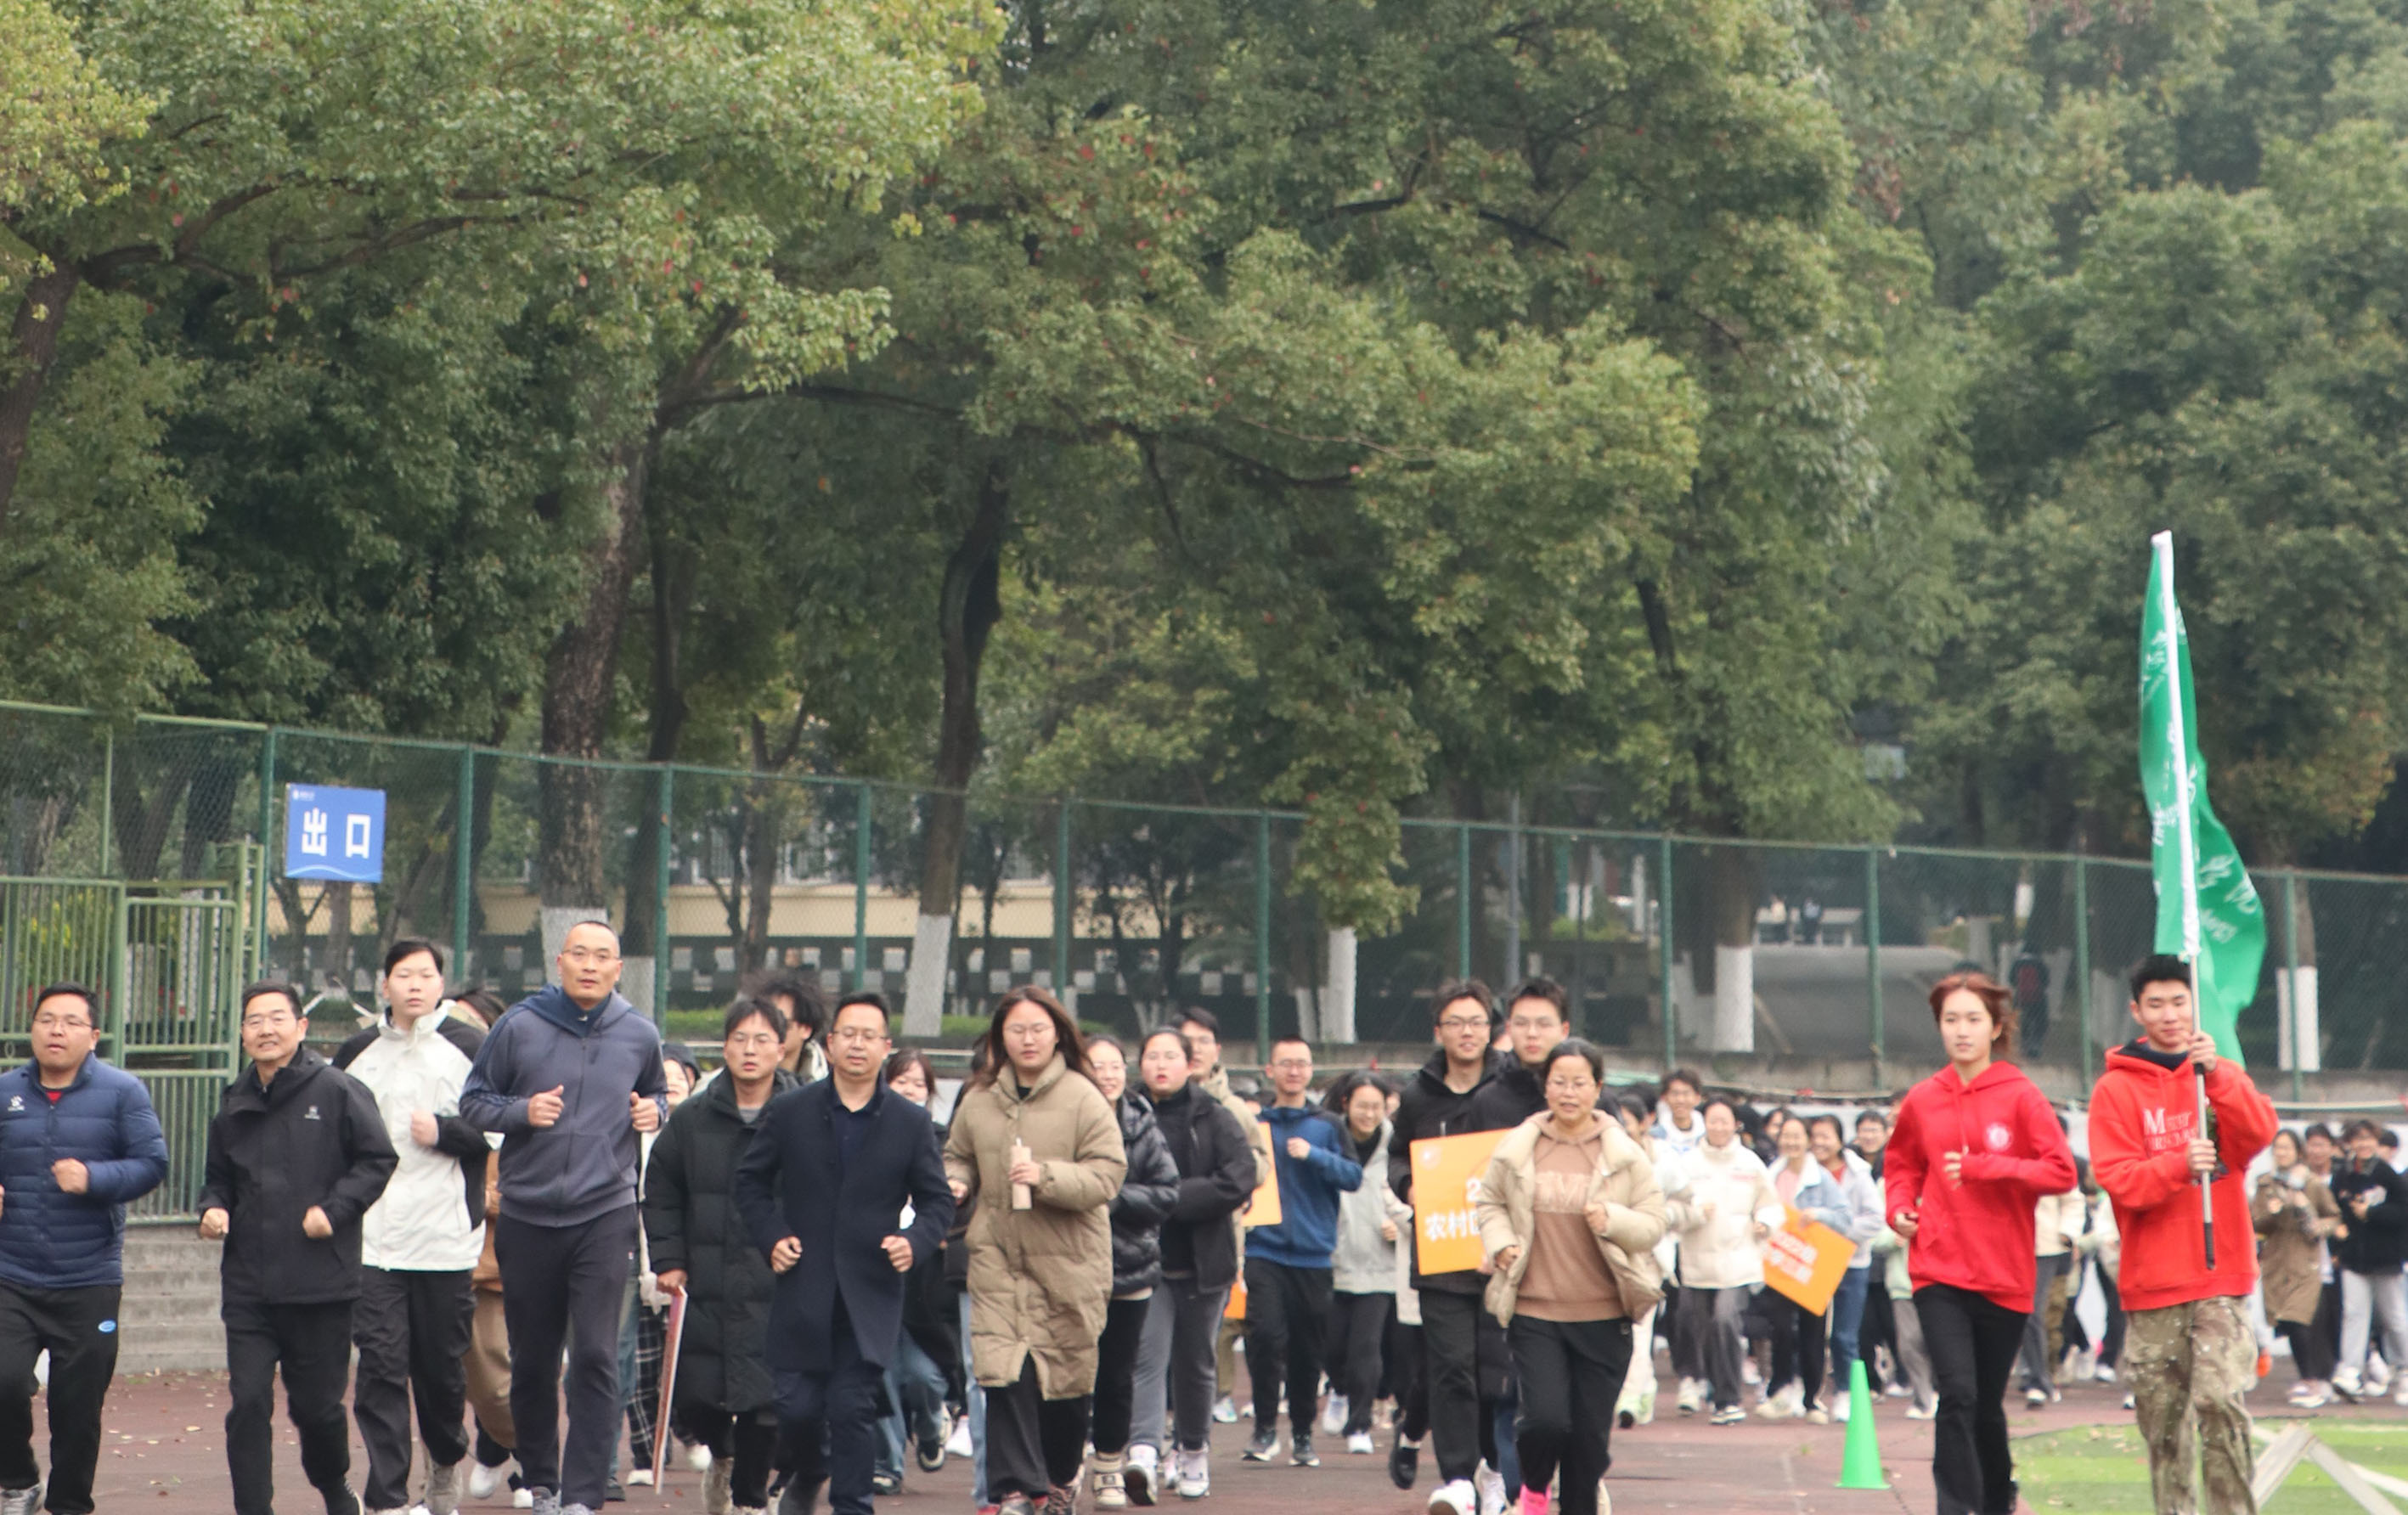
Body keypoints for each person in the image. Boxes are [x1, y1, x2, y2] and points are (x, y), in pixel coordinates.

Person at [460, 920, 669, 1515]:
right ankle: (543, 1483)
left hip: (604, 1212)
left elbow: (657, 1093)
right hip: (527, 1214)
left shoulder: (639, 1033)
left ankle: (583, 1495)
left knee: (597, 1356)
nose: (590, 965)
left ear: (618, 969)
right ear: (559, 961)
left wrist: (654, 1111)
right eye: (579, 954)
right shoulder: (519, 1025)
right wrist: (523, 1111)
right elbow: (473, 1102)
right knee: (533, 1359)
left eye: (602, 956)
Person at [730, 991, 950, 1515]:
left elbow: (937, 1201)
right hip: (803, 1287)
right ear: (829, 1045)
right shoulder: (791, 1111)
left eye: (869, 1036)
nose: (857, 1044)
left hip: (869, 1291)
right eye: (847, 1034)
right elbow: (750, 1182)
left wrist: (913, 1241)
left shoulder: (909, 1122)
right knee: (798, 1409)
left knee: (852, 1408)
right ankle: (811, 1468)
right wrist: (772, 1236)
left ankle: (853, 1506)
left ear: (886, 1047)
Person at [200, 980, 400, 1515]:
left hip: (320, 1284)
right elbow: (219, 1178)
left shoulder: (336, 1090)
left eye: (276, 1018)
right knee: (247, 1402)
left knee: (317, 1410)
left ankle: (334, 1485)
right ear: (242, 1033)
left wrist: (333, 1212)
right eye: (254, 1020)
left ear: (301, 1026)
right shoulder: (234, 1100)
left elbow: (378, 1160)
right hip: (248, 1284)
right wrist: (213, 1209)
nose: (265, 1030)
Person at [2089, 954, 2279, 1515]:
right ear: (2136, 1011)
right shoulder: (2114, 1090)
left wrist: (2217, 1074)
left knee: (2219, 1401)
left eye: (2179, 1001)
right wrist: (2177, 1164)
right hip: (2152, 1283)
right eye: (2156, 1004)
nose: (2169, 1015)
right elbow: (2119, 1180)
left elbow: (2257, 1133)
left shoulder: (2218, 1075)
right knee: (2164, 1428)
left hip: (2220, 1274)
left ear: (2195, 1005)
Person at [1885, 972, 2076, 1515]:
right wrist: (1899, 1209)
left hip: (2004, 1274)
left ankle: (1997, 1497)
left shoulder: (2021, 1096)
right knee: (1958, 1393)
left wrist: (1985, 1166)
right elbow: (1901, 1166)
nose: (1961, 1030)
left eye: (1973, 1019)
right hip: (1938, 1270)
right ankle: (1954, 1506)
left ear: (1996, 1028)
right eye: (1951, 1020)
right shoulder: (1924, 1098)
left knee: (1986, 1403)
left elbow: (2061, 1171)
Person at [943, 990, 1125, 1515]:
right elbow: (957, 1154)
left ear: (1058, 1034)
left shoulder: (1083, 1097)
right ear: (1000, 1036)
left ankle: (1063, 1474)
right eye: (1017, 1029)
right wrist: (958, 1181)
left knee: (1064, 1385)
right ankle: (1016, 1491)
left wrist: (1045, 1176)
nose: (1028, 1039)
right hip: (997, 1259)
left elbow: (1108, 1174)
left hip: (1068, 1264)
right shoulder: (979, 1098)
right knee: (1005, 1376)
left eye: (1038, 1029)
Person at [331, 938, 490, 1515]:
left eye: (425, 975)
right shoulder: (357, 1052)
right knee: (379, 1366)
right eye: (404, 975)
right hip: (373, 1241)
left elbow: (502, 1126)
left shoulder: (471, 1047)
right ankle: (389, 1497)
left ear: (441, 984)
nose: (415, 985)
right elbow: (330, 1132)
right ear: (385, 985)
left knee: (441, 1372)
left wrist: (446, 1132)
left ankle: (444, 1460)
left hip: (445, 1238)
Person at [1474, 1039, 1664, 1515]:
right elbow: (1489, 1201)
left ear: (1598, 1088)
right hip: (1535, 1310)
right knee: (1545, 1421)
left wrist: (1613, 1219)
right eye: (1559, 1081)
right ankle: (1535, 1488)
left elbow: (1653, 1224)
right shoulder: (1520, 1145)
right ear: (1545, 1087)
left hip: (1604, 1315)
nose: (1569, 1092)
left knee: (1588, 1443)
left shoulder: (1623, 1153)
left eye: (1580, 1083)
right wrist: (1501, 1242)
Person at [0, 982, 167, 1515]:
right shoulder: (5, 1091)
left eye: (71, 1022)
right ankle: (17, 1481)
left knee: (77, 1407)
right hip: (10, 1271)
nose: (57, 1030)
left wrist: (94, 1178)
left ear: (93, 1036)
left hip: (88, 1277)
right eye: (47, 1019)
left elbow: (152, 1164)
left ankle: (70, 1503)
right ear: (32, 1030)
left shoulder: (122, 1092)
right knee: (2, 1381)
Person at [645, 998, 799, 1515]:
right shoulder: (692, 1119)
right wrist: (668, 1258)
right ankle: (723, 1457)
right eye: (739, 1039)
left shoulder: (804, 1117)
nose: (750, 1050)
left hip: (778, 1282)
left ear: (782, 1048)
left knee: (765, 1405)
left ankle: (751, 1501)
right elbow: (661, 1190)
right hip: (705, 1281)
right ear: (724, 1047)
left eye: (762, 1040)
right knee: (697, 1399)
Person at [1387, 979, 1504, 1514]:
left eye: (1476, 1022)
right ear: (1438, 1031)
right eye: (1455, 1023)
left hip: (1501, 1254)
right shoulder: (1417, 1095)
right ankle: (1457, 1477)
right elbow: (1397, 1157)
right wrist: (1409, 1185)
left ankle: (1494, 1469)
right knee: (1452, 1367)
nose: (1466, 1032)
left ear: (1491, 1030)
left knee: (1495, 1371)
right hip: (1441, 1252)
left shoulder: (1511, 1092)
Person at [1127, 1026, 1255, 1502]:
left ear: (1189, 1063)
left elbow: (1240, 1177)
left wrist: (1170, 1198)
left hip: (1204, 1263)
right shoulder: (1125, 1114)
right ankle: (1144, 1450)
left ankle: (1193, 1450)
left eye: (1171, 1056)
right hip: (1144, 1261)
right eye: (1152, 1056)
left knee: (1196, 1363)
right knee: (1147, 1357)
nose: (1161, 1065)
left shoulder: (1215, 1116)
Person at [1241, 1036, 1362, 1467]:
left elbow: (1353, 1176)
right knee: (1265, 1336)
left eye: (1302, 1064)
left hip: (1314, 1254)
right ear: (1270, 1070)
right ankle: (1264, 1430)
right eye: (1285, 1063)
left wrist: (1314, 1156)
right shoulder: (1255, 1123)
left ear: (1311, 1071)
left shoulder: (1327, 1125)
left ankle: (1302, 1434)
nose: (1294, 1071)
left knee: (1308, 1350)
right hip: (1264, 1249)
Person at [1084, 1036, 1180, 1510]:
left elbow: (1167, 1192)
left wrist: (1118, 1199)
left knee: (1118, 1375)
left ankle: (1108, 1466)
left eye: (1115, 1066)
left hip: (1131, 1267)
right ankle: (1063, 1467)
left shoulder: (1142, 1123)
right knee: (1069, 1375)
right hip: (1072, 1270)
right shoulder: (1067, 1119)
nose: (1107, 1075)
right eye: (1096, 1066)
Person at [1173, 1009, 1271, 1428]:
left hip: (1214, 1241)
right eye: (1186, 1041)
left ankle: (1192, 1437)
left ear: (1218, 1050)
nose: (1195, 1050)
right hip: (1158, 1241)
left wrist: (1229, 1183)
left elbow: (1259, 1163)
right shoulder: (1148, 1105)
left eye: (1204, 1041)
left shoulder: (1232, 1109)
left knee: (1202, 1345)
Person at [871, 1047, 959, 1496]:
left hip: (928, 1285)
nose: (909, 1090)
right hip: (878, 1277)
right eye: (900, 1080)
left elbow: (947, 1202)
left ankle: (930, 1425)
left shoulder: (943, 1142)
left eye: (918, 1083)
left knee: (923, 1376)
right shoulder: (870, 1134)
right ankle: (886, 1463)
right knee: (880, 1372)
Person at [1666, 1098, 1779, 1427]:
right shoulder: (1687, 1164)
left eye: (1724, 1121)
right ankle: (1715, 1389)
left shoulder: (1749, 1163)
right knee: (1703, 1327)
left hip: (1739, 1258)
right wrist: (1693, 1214)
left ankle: (1729, 1398)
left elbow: (1770, 1203)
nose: (1718, 1127)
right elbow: (1671, 1209)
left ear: (1735, 1125)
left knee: (1726, 1319)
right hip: (1698, 1259)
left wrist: (1765, 1222)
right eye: (1712, 1121)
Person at [1321, 1071, 1410, 1457]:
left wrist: (1400, 1223)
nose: (1370, 1114)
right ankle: (1338, 1390)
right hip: (1333, 1257)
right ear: (1346, 1104)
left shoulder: (1397, 1145)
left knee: (1366, 1349)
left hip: (1380, 1262)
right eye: (1362, 1106)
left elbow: (1414, 1190)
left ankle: (1360, 1423)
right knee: (1331, 1346)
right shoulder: (1328, 1138)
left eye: (1377, 1106)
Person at [1801, 1114, 1881, 1421]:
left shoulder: (1858, 1173)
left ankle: (1845, 1392)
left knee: (1845, 1335)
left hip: (1851, 1262)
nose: (1819, 1143)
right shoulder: (1802, 1170)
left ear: (1839, 1139)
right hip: (1811, 1261)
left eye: (1826, 1136)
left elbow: (1875, 1218)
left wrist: (1837, 1234)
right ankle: (1805, 1393)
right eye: (1815, 1136)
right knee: (1807, 1332)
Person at [1610, 1091, 1682, 1430]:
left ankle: (1627, 1397)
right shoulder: (1604, 1156)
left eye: (1626, 1123)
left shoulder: (1665, 1160)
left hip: (1650, 1257)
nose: (1620, 1130)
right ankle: (1646, 1385)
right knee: (1621, 1329)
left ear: (1645, 1123)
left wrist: (1661, 1216)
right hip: (1612, 1254)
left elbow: (1690, 1203)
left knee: (1640, 1329)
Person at [2254, 1128, 2340, 1408]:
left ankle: (2312, 1379)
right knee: (2286, 1321)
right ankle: (2308, 1379)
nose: (2281, 1153)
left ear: (2298, 1152)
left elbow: (2332, 1217)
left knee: (2298, 1317)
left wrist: (2313, 1222)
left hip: (2306, 1263)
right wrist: (2273, 1211)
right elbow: (2255, 1222)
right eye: (2277, 1148)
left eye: (2287, 1148)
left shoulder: (2311, 1184)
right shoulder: (2265, 1184)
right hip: (2277, 1263)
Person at [2326, 1119, 2408, 1404]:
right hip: (2354, 1259)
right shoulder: (2343, 1175)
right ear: (2349, 1143)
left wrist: (2371, 1213)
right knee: (2354, 1314)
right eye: (2357, 1139)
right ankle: (2350, 1371)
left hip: (2386, 1259)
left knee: (2394, 1317)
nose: (2363, 1144)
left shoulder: (2387, 1174)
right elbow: (2334, 1211)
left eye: (2368, 1138)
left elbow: (2402, 1212)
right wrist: (2337, 1244)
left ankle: (2404, 1369)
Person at [1650, 1068, 1707, 1416]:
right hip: (1665, 1235)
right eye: (1674, 1093)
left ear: (1697, 1097)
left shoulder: (1711, 1133)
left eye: (1687, 1093)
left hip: (1703, 1233)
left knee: (1699, 1309)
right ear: (1665, 1098)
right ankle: (1686, 1375)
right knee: (1675, 1309)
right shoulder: (1654, 1138)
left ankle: (1701, 1374)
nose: (1681, 1100)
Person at [2019, 1167, 2084, 1407]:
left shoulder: (2049, 1154)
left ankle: (2039, 1380)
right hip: (2004, 1243)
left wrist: (2067, 1234)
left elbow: (2073, 1199)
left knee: (2032, 1313)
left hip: (2043, 1247)